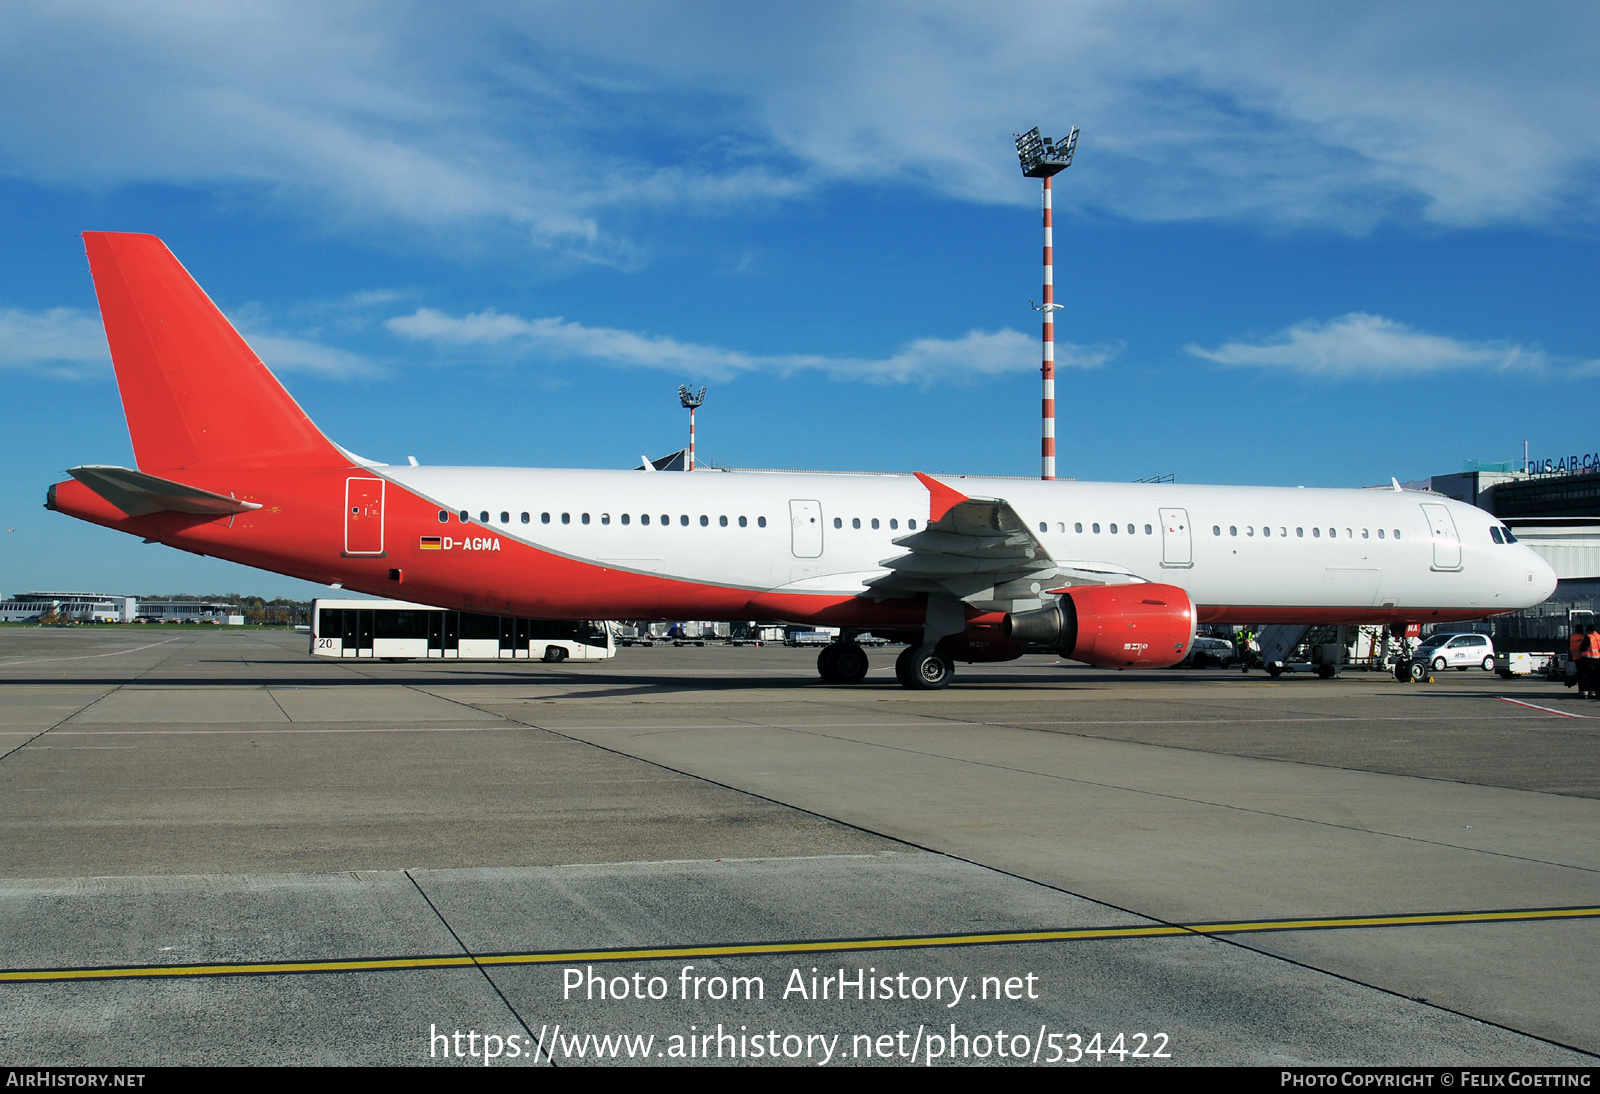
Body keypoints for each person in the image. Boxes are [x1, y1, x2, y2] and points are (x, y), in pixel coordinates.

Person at [1583, 624, 1600, 700]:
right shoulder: (1598, 636)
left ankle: (1585, 692)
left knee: (1586, 676)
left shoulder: (1588, 637)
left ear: (1589, 630)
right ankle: (1593, 691)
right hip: (1597, 658)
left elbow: (1583, 647)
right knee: (1595, 676)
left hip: (1588, 658)